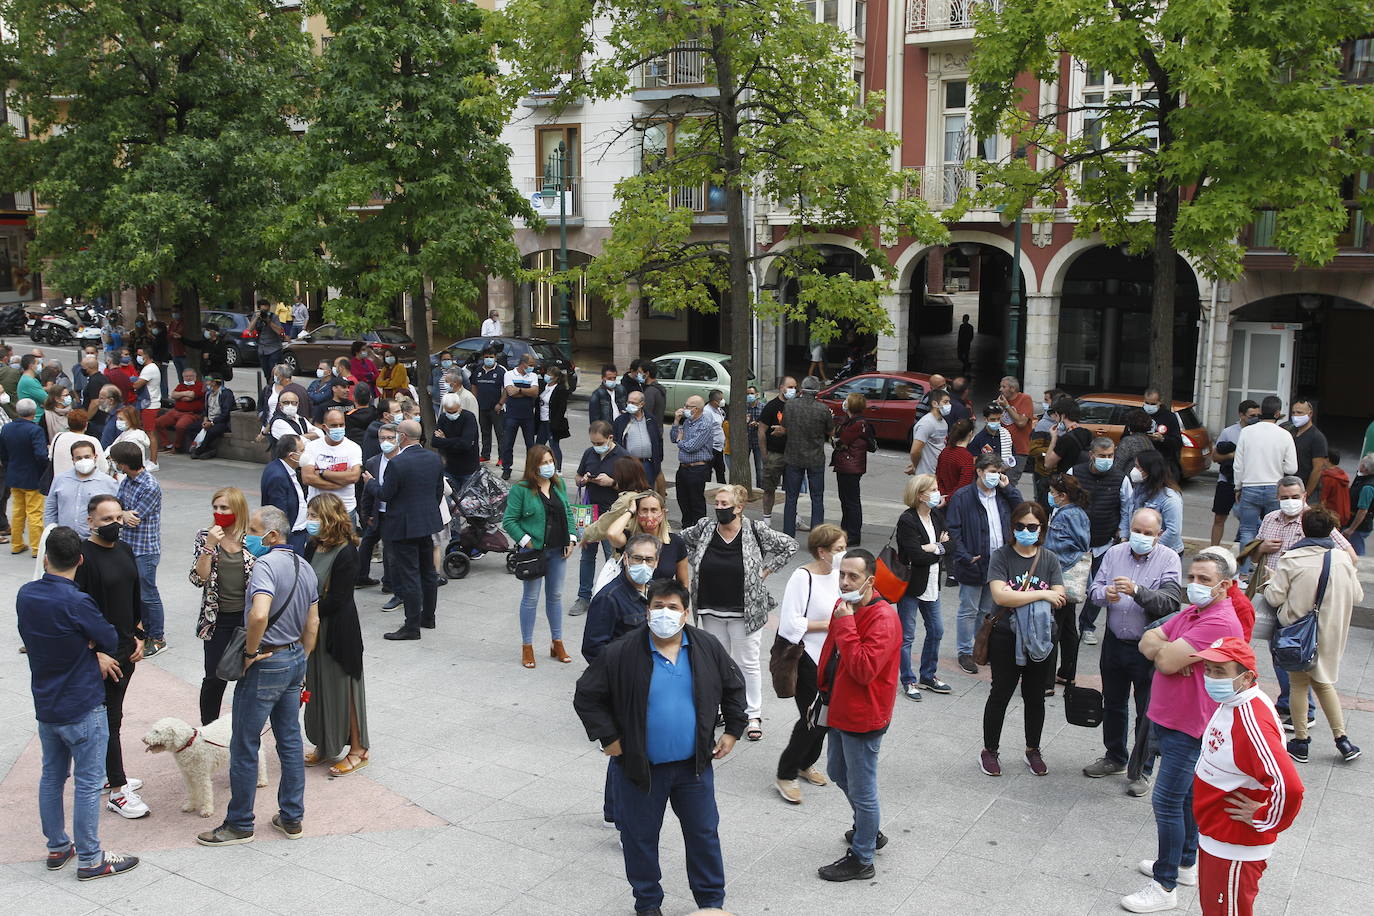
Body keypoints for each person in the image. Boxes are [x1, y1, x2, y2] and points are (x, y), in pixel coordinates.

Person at [573, 579, 744, 916]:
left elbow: (734, 687)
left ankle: (711, 902)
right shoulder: (621, 652)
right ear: (647, 610)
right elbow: (587, 696)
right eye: (658, 606)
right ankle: (648, 902)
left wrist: (734, 729)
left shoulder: (706, 646)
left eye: (673, 607)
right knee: (639, 839)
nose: (665, 613)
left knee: (704, 834)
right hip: (640, 770)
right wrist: (608, 738)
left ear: (685, 613)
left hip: (693, 768)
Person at [1121, 552, 1243, 914]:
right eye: (1193, 576)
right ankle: (1186, 864)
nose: (1195, 585)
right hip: (1171, 717)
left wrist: (1172, 654)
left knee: (1167, 802)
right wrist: (1171, 652)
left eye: (1205, 579)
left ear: (1225, 585)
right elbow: (1148, 642)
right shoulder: (1194, 613)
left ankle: (1164, 885)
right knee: (1187, 797)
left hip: (1188, 726)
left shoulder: (1218, 620)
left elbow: (1166, 659)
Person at [18, 526, 141, 880]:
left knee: (52, 777)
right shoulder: (77, 601)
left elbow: (32, 633)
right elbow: (106, 636)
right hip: (83, 703)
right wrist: (90, 647)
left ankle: (57, 846)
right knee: (87, 783)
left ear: (45, 559)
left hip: (47, 704)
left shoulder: (27, 594)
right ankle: (90, 857)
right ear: (80, 560)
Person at [196, 506, 320, 848]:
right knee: (290, 741)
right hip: (294, 658)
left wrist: (250, 653)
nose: (247, 535)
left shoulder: (265, 565)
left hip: (266, 661)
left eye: (253, 529)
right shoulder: (305, 567)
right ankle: (292, 816)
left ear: (273, 535)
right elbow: (313, 624)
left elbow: (260, 613)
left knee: (246, 743)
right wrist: (301, 661)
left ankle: (239, 823)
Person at [1191, 637, 1305, 916]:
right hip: (1218, 835)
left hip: (1235, 844)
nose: (1210, 677)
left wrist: (1265, 817)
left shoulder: (1251, 719)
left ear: (1247, 677)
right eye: (1207, 669)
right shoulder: (1235, 701)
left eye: (1220, 671)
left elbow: (1290, 786)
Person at [680, 484, 798, 742]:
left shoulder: (755, 530)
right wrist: (694, 560)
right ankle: (722, 709)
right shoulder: (705, 527)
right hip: (710, 609)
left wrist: (766, 571)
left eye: (725, 505)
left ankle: (751, 713)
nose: (720, 508)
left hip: (745, 612)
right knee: (717, 663)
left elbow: (790, 546)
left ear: (740, 508)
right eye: (718, 504)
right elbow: (680, 541)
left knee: (747, 663)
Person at [1082, 508, 1183, 796]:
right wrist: (1106, 594)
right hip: (1114, 641)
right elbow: (1094, 589)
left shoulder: (1169, 559)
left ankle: (1143, 769)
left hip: (1147, 647)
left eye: (1148, 533)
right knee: (1112, 703)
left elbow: (1170, 603)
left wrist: (1137, 590)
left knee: (1146, 711)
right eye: (1137, 530)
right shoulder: (1115, 553)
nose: (1140, 536)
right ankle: (1114, 756)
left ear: (1159, 535)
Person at [814, 549, 901, 881]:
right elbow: (831, 653)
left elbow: (863, 669)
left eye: (853, 576)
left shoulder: (883, 618)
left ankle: (863, 857)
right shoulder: (845, 607)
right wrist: (821, 688)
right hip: (838, 707)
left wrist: (847, 624)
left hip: (864, 715)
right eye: (842, 575)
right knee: (837, 771)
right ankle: (870, 827)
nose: (845, 582)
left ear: (870, 581)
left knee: (863, 789)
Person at [1252, 476, 1356, 728]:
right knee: (1279, 653)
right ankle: (1290, 705)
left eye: (1294, 497)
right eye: (1284, 497)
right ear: (1277, 497)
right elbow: (1254, 555)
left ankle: (1301, 711)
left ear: (1304, 496)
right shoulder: (1270, 519)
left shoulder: (1314, 521)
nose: (1290, 502)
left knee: (1297, 657)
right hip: (1272, 597)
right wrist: (1262, 547)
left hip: (1301, 605)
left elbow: (1349, 556)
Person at [1266, 507, 1364, 764]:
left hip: (1297, 635)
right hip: (1331, 634)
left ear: (1304, 529)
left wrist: (1270, 581)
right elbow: (1357, 596)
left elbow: (1274, 597)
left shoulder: (1291, 558)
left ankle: (1301, 742)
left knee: (1299, 684)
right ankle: (1342, 739)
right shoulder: (1342, 559)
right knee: (1324, 683)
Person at [75, 494, 149, 819]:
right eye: (107, 520)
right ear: (90, 521)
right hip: (101, 655)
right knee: (108, 720)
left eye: (118, 518)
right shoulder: (83, 557)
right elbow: (77, 610)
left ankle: (110, 773)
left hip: (125, 648)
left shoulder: (125, 550)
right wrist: (95, 654)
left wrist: (140, 635)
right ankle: (117, 789)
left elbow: (134, 595)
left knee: (113, 717)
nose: (114, 525)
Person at [979, 502, 1065, 778]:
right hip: (1005, 636)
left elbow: (1060, 596)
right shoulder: (1001, 556)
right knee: (1000, 693)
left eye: (1032, 527)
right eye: (1020, 526)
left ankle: (1033, 749)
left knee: (1035, 696)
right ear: (1012, 527)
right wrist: (1042, 594)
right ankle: (990, 751)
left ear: (1041, 529)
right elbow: (1000, 597)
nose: (1025, 531)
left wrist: (1019, 594)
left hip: (1041, 638)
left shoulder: (1049, 558)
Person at [773, 525, 846, 803]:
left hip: (834, 658)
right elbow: (791, 624)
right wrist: (832, 623)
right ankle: (786, 773)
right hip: (806, 657)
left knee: (826, 719)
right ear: (822, 551)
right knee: (812, 717)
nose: (843, 554)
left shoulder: (840, 576)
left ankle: (805, 764)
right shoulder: (802, 577)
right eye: (838, 549)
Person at [302, 493, 370, 777]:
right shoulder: (311, 545)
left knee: (345, 690)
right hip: (313, 627)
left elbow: (339, 599)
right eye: (309, 515)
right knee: (316, 688)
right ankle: (326, 745)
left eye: (314, 516)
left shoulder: (346, 551)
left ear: (329, 519)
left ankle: (358, 750)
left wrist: (306, 609)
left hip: (337, 631)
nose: (309, 522)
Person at [945, 453, 1022, 675]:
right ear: (979, 471)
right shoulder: (963, 496)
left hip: (999, 562)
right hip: (974, 561)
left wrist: (1008, 489)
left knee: (987, 609)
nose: (995, 477)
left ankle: (980, 648)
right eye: (991, 472)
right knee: (968, 608)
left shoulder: (1002, 494)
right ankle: (964, 651)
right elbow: (953, 529)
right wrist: (964, 555)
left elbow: (1022, 510)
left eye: (999, 473)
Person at [501, 443, 577, 664]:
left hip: (558, 550)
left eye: (551, 461)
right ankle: (527, 646)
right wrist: (528, 542)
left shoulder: (559, 484)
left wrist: (571, 539)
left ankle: (557, 643)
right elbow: (509, 520)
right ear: (534, 466)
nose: (549, 466)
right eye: (544, 463)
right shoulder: (521, 489)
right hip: (534, 553)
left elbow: (568, 514)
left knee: (555, 597)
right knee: (531, 598)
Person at [190, 487, 256, 725]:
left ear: (237, 509)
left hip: (247, 620)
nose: (219, 512)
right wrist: (209, 546)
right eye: (215, 507)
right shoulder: (205, 535)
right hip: (216, 620)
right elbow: (199, 578)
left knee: (248, 677)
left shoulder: (251, 539)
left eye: (224, 508)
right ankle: (209, 728)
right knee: (214, 678)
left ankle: (244, 727)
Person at [379, 420, 445, 641]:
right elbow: (437, 492)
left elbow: (386, 494)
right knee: (428, 572)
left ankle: (412, 626)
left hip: (404, 527)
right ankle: (429, 617)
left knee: (410, 576)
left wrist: (370, 483)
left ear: (403, 437)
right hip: (426, 523)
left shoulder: (397, 463)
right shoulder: (433, 458)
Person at [894, 475, 951, 702]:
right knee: (906, 636)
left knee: (936, 630)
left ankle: (928, 675)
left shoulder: (936, 515)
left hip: (932, 584)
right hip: (911, 585)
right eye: (934, 489)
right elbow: (914, 556)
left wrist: (932, 548)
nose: (938, 493)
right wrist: (938, 548)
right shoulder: (907, 520)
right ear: (920, 495)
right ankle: (908, 680)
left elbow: (951, 544)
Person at [109, 441, 166, 658]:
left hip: (145, 549)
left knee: (148, 594)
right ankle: (141, 630)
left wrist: (121, 514)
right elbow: (119, 508)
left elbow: (133, 519)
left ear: (124, 463)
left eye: (116, 462)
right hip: (128, 546)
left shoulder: (150, 486)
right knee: (133, 592)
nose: (115, 465)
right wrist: (121, 513)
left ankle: (158, 637)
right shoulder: (127, 481)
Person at [1072, 437, 1127, 647]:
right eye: (1102, 456)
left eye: (1110, 456)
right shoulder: (1074, 473)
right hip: (1077, 544)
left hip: (1104, 543)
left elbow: (1126, 508)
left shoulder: (1121, 479)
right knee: (1069, 585)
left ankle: (1087, 626)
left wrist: (1123, 536)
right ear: (1092, 455)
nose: (1106, 460)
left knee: (1099, 586)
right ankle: (1064, 623)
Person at [572, 421, 630, 615]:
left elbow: (631, 487)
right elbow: (578, 476)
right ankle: (583, 597)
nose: (596, 446)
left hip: (612, 514)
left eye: (599, 442)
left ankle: (612, 598)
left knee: (611, 558)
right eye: (593, 443)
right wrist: (583, 480)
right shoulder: (589, 453)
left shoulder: (622, 456)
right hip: (589, 511)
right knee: (587, 556)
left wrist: (612, 482)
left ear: (610, 438)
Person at [1232, 396, 1297, 571]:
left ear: (1261, 411)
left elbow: (1238, 464)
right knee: (1274, 530)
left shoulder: (1247, 432)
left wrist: (1238, 486)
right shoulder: (1284, 435)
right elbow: (1292, 467)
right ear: (1277, 413)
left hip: (1250, 486)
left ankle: (1244, 573)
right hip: (1274, 487)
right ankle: (1268, 570)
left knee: (1247, 530)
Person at [582, 532, 662, 663]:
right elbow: (593, 649)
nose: (643, 564)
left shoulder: (656, 592)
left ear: (656, 562)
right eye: (637, 558)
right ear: (625, 558)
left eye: (649, 559)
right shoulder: (608, 598)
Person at [1044, 473, 1091, 689]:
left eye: (1053, 493)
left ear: (1062, 495)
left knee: (1053, 627)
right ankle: (1067, 673)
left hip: (1061, 577)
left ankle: (1045, 681)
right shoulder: (1076, 513)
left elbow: (1066, 547)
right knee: (1069, 627)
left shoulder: (1066, 515)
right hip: (1069, 579)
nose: (1050, 497)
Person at [584, 487, 688, 585]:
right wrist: (630, 511)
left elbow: (683, 583)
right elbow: (612, 534)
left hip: (661, 600)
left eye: (654, 510)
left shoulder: (675, 542)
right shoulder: (629, 538)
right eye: (644, 510)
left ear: (663, 513)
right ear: (637, 513)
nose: (649, 516)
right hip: (630, 599)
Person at [782, 376, 834, 537]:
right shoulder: (823, 409)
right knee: (817, 498)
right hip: (815, 457)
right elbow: (830, 431)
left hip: (793, 456)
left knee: (791, 498)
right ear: (817, 391)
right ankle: (817, 535)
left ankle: (788, 534)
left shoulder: (790, 405)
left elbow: (784, 426)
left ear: (802, 389)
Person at [0, 397, 48, 557]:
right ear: (33, 412)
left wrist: (8, 467)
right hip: (32, 476)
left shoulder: (7, 428)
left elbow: (3, 453)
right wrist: (44, 470)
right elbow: (41, 455)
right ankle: (36, 547)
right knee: (35, 513)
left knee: (18, 511)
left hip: (14, 474)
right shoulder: (35, 430)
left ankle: (16, 543)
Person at [1211, 400, 1261, 546]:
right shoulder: (1229, 432)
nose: (1255, 418)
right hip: (1227, 481)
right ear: (1241, 415)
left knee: (1250, 521)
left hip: (1250, 482)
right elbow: (1215, 457)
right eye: (1252, 415)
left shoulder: (1260, 431)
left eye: (1258, 415)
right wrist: (1231, 456)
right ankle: (1213, 549)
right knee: (1219, 518)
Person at [300, 408, 363, 523]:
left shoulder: (353, 447)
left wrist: (322, 473)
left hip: (345, 510)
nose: (338, 428)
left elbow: (353, 477)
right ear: (324, 427)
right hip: (318, 511)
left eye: (341, 425)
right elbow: (307, 478)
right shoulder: (312, 447)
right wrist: (339, 483)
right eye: (334, 425)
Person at [45, 440, 117, 537]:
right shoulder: (60, 479)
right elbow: (50, 509)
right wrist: (51, 531)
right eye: (78, 458)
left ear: (95, 457)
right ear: (73, 460)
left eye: (87, 457)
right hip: (65, 539)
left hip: (95, 540)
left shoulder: (108, 482)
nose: (83, 460)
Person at [355, 423, 397, 589]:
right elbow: (367, 492)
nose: (385, 441)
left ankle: (389, 582)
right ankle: (360, 576)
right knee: (367, 543)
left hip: (394, 514)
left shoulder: (402, 461)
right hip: (377, 512)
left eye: (390, 438)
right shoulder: (373, 462)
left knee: (389, 548)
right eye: (382, 438)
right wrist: (366, 515)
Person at [832, 393, 876, 547]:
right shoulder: (851, 421)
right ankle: (846, 530)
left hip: (850, 466)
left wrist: (835, 437)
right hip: (848, 466)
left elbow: (840, 441)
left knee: (851, 501)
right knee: (846, 500)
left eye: (846, 401)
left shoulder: (856, 424)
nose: (843, 403)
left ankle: (853, 534)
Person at [1120, 449, 1185, 553]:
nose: (1134, 470)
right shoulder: (1138, 489)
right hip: (1137, 549)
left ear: (1150, 470)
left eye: (1138, 467)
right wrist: (1124, 538)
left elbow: (1173, 531)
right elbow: (1128, 514)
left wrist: (1150, 549)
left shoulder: (1170, 498)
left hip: (1164, 552)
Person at [260, 435, 310, 552]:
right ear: (291, 456)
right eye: (302, 450)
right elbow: (279, 514)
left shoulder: (282, 468)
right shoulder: (278, 476)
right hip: (291, 537)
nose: (305, 453)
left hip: (298, 532)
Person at [671, 395, 714, 527]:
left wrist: (680, 440)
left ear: (695, 409)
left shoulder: (705, 423)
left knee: (696, 503)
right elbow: (673, 438)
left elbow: (691, 446)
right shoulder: (687, 422)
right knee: (683, 501)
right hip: (683, 467)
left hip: (697, 469)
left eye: (687, 406)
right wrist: (676, 421)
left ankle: (699, 530)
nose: (684, 409)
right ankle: (686, 529)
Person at [757, 378, 795, 526]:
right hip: (774, 454)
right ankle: (766, 519)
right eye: (790, 387)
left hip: (793, 455)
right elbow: (761, 431)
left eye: (795, 387)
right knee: (769, 488)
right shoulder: (771, 406)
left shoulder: (796, 406)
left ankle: (794, 517)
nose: (793, 390)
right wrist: (764, 453)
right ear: (781, 388)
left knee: (793, 490)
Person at [499, 353, 541, 481]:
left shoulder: (533, 375)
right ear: (523, 364)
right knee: (508, 444)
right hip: (512, 414)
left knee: (530, 445)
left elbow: (535, 392)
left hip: (528, 415)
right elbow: (510, 392)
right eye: (530, 365)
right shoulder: (509, 374)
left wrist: (520, 390)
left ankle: (531, 471)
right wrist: (525, 391)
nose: (532, 368)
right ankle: (506, 469)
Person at [614, 389, 664, 486]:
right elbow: (616, 442)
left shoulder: (651, 419)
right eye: (628, 402)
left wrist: (657, 460)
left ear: (641, 404)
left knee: (647, 493)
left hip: (648, 464)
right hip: (629, 464)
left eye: (633, 403)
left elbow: (658, 440)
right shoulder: (621, 421)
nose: (630, 405)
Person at [432, 391, 479, 492]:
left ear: (460, 407)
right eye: (449, 411)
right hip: (449, 468)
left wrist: (445, 439)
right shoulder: (443, 418)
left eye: (454, 411)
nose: (452, 414)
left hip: (468, 468)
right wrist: (457, 441)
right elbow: (435, 441)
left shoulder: (468, 417)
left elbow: (465, 444)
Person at [1281, 397, 1328, 499]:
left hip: (1306, 491)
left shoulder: (1317, 437)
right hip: (1288, 488)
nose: (1295, 416)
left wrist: (1306, 494)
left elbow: (1317, 469)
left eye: (1299, 412)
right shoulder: (1290, 432)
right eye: (1293, 413)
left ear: (1310, 414)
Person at [154, 367, 204, 453]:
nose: (188, 378)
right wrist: (185, 394)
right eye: (186, 376)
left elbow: (191, 395)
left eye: (191, 376)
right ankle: (166, 444)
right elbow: (173, 395)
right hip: (175, 411)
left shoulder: (200, 386)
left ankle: (177, 447)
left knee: (180, 426)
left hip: (190, 414)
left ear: (195, 376)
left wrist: (180, 395)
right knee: (158, 422)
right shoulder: (181, 385)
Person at [995, 376, 1034, 485]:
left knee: (1009, 484)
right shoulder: (1001, 402)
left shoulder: (1025, 399)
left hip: (1018, 451)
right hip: (1001, 449)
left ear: (1012, 388)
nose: (1000, 390)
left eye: (1003, 387)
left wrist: (1007, 406)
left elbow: (1021, 422)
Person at [190, 373, 236, 460]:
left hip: (221, 421)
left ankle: (199, 450)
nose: (206, 383)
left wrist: (211, 423)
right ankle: (208, 449)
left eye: (208, 380)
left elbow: (225, 413)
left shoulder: (226, 393)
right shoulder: (208, 394)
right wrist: (205, 419)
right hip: (209, 419)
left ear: (214, 383)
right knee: (191, 428)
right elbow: (205, 409)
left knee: (211, 431)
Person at [1142, 386, 1183, 480]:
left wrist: (1163, 439)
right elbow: (1126, 437)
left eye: (1153, 404)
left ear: (1159, 402)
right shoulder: (1138, 415)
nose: (1149, 406)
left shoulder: (1169, 417)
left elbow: (1178, 443)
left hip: (1164, 463)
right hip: (1143, 463)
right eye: (1147, 403)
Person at [906, 388, 950, 478]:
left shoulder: (943, 423)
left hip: (937, 473)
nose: (949, 405)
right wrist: (916, 466)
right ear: (934, 404)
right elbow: (915, 451)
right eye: (945, 402)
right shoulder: (926, 423)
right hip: (926, 476)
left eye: (949, 402)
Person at [472, 348, 504, 463]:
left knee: (500, 433)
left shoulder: (501, 371)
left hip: (496, 408)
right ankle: (485, 455)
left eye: (491, 357)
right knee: (485, 432)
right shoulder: (478, 370)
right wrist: (475, 401)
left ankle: (502, 457)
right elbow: (474, 385)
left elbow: (506, 389)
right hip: (482, 407)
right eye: (486, 357)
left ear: (495, 357)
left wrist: (500, 403)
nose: (488, 359)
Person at [536, 365, 571, 470]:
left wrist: (555, 423)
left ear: (555, 378)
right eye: (546, 374)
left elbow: (561, 408)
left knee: (554, 445)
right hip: (542, 421)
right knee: (538, 446)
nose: (547, 376)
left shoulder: (560, 389)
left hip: (551, 422)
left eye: (549, 375)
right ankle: (535, 466)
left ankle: (558, 468)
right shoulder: (543, 386)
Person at [935, 417, 976, 499]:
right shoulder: (966, 456)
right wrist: (948, 499)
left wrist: (943, 496)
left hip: (942, 497)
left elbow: (938, 477)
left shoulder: (945, 451)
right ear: (970, 434)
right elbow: (964, 485)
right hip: (958, 501)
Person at [969, 402, 1016, 472]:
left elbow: (1012, 455)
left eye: (998, 419)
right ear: (985, 419)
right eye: (993, 419)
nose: (996, 422)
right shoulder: (979, 439)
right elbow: (974, 462)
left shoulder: (1005, 435)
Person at [1343, 452, 1374, 555]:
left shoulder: (1367, 487)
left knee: (1356, 552)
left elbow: (1362, 510)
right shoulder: (1362, 478)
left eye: (1362, 463)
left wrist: (1351, 529)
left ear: (1365, 468)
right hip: (1353, 522)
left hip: (1358, 527)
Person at [703, 389, 728, 483]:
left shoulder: (718, 409)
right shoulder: (707, 412)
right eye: (721, 399)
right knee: (708, 471)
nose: (723, 401)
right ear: (714, 401)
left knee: (721, 470)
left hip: (719, 447)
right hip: (711, 447)